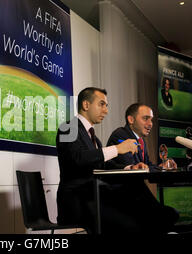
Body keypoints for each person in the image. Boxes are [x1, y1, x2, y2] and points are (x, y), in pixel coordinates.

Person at [56, 87, 147, 234]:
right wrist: (117, 149)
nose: (106, 111)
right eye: (102, 104)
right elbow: (77, 159)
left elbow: (102, 165)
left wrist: (129, 168)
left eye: (106, 106)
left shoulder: (94, 137)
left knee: (135, 199)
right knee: (131, 220)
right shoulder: (67, 128)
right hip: (76, 202)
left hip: (95, 200)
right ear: (86, 105)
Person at [106, 103, 179, 233]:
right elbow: (135, 168)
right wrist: (154, 168)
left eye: (151, 119)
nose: (150, 123)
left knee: (170, 214)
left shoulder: (141, 140)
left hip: (137, 192)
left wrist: (161, 167)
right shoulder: (120, 135)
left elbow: (147, 165)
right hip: (125, 197)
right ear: (131, 119)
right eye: (146, 118)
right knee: (167, 215)